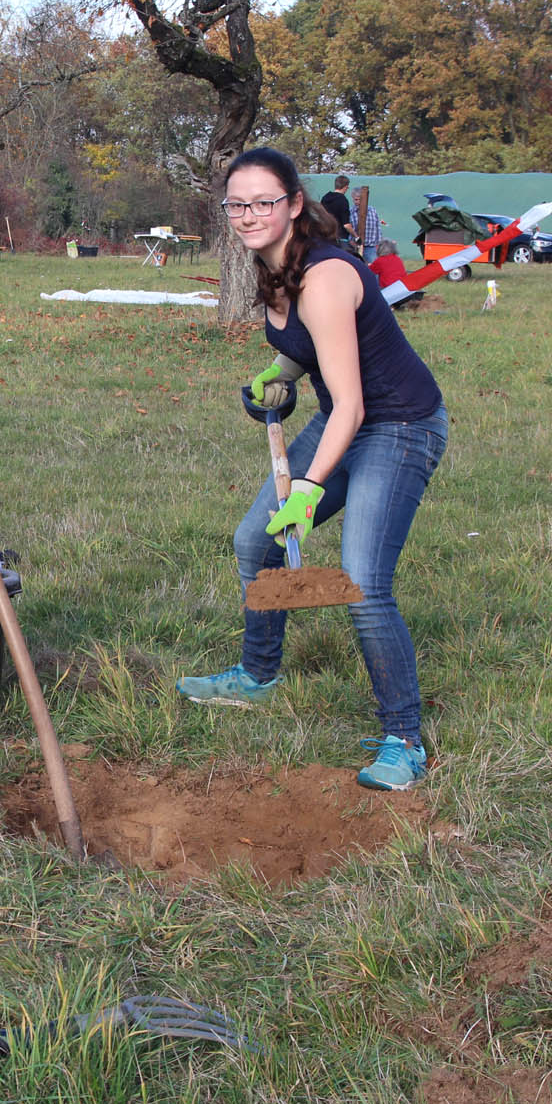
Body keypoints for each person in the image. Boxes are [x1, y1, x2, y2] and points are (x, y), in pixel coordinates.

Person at [175, 146, 449, 791]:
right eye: (237, 205)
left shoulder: (325, 275)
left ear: (295, 204)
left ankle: (403, 739)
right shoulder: (272, 268)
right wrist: (280, 375)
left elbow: (352, 403)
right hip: (346, 421)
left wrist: (306, 488)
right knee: (255, 541)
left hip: (400, 425)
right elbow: (317, 351)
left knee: (361, 580)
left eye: (264, 202)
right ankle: (257, 675)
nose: (249, 215)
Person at [320, 175, 355, 243]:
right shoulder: (343, 200)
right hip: (340, 238)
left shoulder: (325, 198)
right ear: (345, 187)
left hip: (325, 236)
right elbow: (346, 225)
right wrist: (356, 236)